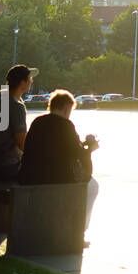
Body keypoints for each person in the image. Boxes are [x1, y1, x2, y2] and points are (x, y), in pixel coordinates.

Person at [18, 89, 100, 240]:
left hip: (29, 175)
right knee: (93, 186)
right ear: (67, 107)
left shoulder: (38, 122)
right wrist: (91, 148)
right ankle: (79, 231)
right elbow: (78, 154)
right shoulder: (66, 125)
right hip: (54, 178)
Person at [0, 64, 33, 182]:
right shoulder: (16, 106)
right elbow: (21, 142)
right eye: (30, 78)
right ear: (22, 83)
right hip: (9, 165)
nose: (32, 81)